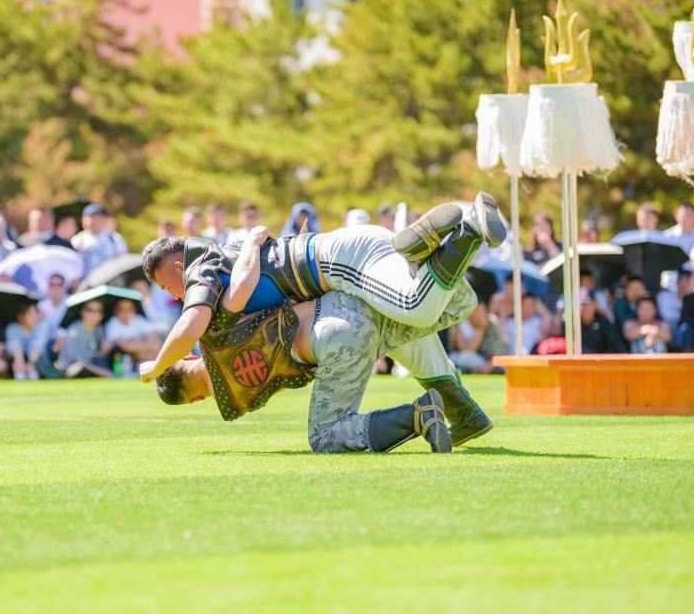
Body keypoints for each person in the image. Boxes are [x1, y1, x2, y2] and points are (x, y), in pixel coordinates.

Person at [139, 193, 507, 384]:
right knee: (421, 317)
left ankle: (468, 231)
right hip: (334, 260)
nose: (175, 296)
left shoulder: (199, 268)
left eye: (168, 286)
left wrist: (157, 366)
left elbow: (194, 326)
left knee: (418, 308)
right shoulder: (217, 252)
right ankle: (419, 248)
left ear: (177, 267)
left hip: (332, 262)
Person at [150, 243, 490, 451]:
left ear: (195, 400)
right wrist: (252, 241)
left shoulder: (236, 401)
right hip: (345, 298)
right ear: (189, 354)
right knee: (435, 309)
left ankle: (418, 415)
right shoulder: (214, 323)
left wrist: (157, 365)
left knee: (325, 436)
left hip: (336, 341)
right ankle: (450, 250)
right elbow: (240, 287)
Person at [447, 300, 509, 374]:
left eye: (482, 311)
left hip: (493, 361)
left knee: (465, 358)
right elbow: (466, 349)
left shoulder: (492, 323)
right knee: (455, 357)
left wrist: (490, 365)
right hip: (473, 357)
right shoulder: (460, 324)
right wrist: (480, 330)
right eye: (477, 311)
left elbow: (502, 352)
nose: (480, 315)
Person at [57, 299, 113, 378]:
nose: (96, 314)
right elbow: (77, 360)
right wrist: (102, 372)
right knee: (80, 368)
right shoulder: (75, 331)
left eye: (99, 311)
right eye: (91, 310)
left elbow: (96, 355)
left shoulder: (99, 329)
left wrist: (104, 351)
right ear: (82, 312)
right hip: (72, 365)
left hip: (91, 363)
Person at [105, 298, 161, 367]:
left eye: (128, 309)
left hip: (146, 354)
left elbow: (155, 340)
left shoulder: (138, 319)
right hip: (124, 358)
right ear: (115, 310)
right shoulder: (112, 323)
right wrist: (144, 343)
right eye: (121, 309)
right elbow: (125, 347)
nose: (125, 312)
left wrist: (138, 344)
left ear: (134, 310)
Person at [72, 204, 128, 272]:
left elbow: (122, 260)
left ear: (104, 220)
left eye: (97, 218)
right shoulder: (77, 240)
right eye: (91, 218)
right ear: (83, 220)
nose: (94, 221)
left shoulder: (114, 238)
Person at [579, 288, 626, 354]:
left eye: (588, 304)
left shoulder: (602, 321)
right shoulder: (572, 324)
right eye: (582, 305)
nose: (585, 308)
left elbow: (617, 344)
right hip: (581, 359)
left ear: (595, 303)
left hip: (602, 359)